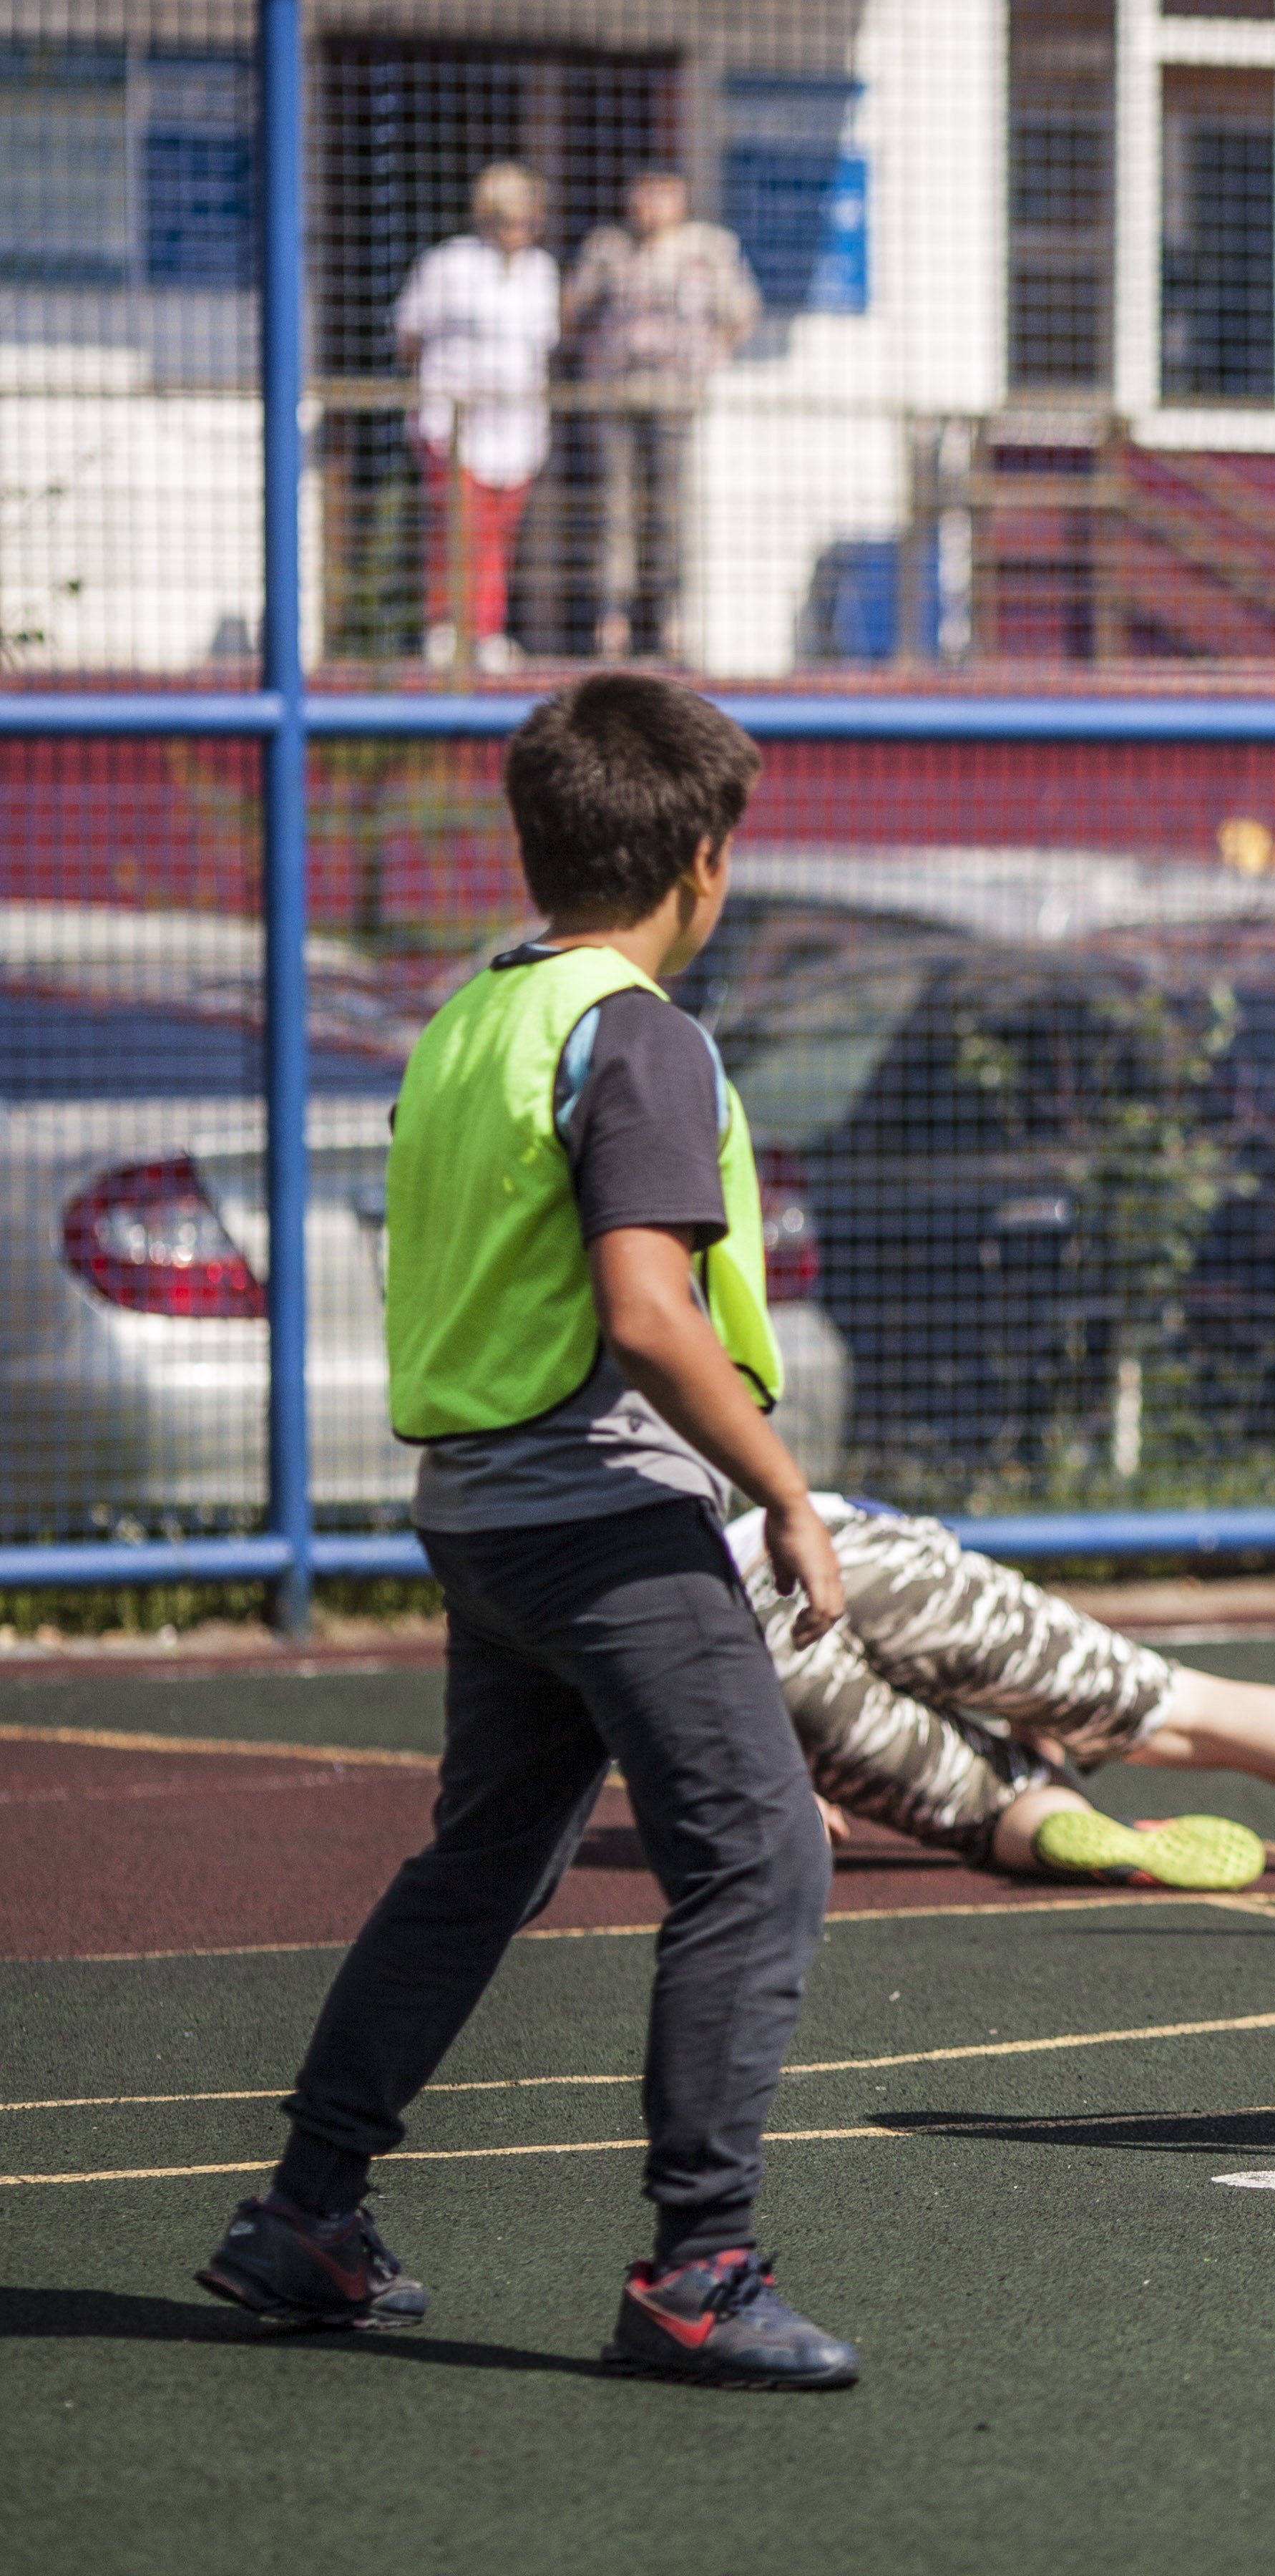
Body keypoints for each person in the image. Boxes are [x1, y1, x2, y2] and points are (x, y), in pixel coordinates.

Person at [197, 676, 861, 2385]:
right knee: (762, 1851)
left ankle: (309, 2211)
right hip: (600, 1511)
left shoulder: (472, 1005)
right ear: (705, 860)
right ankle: (696, 2266)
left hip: (480, 1514)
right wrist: (782, 1489)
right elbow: (647, 1308)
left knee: (488, 1857)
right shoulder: (638, 1027)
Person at [731, 1492, 1275, 1887]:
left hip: (731, 1626)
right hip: (832, 1540)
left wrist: (776, 1774)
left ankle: (1070, 1825)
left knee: (987, 1810)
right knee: (1186, 1711)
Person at [565, 171, 759, 662]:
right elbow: (569, 313)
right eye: (642, 193)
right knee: (615, 507)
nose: (650, 205)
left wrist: (708, 358)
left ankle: (671, 619)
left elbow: (742, 312)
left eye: (663, 194)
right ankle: (613, 621)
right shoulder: (609, 248)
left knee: (671, 508)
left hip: (676, 393)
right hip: (616, 393)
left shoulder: (707, 249)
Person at [392, 162, 562, 675]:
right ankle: (445, 628)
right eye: (508, 220)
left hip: (518, 427)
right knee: (459, 528)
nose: (519, 231)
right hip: (454, 421)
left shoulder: (542, 271)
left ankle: (487, 631)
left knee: (499, 534)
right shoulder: (449, 264)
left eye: (528, 220)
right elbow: (409, 336)